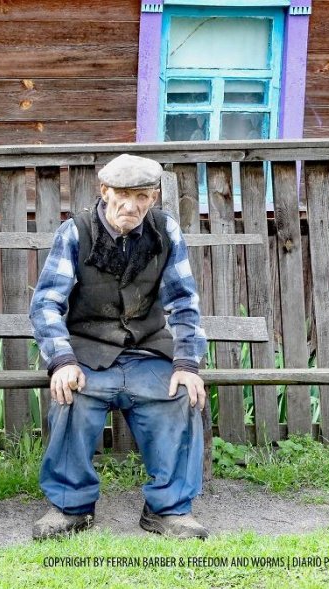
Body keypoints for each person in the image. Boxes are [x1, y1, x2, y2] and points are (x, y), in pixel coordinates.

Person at [30, 153, 210, 540]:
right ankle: (71, 507)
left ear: (154, 195)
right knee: (71, 397)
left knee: (181, 396)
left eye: (143, 196)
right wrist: (61, 360)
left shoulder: (166, 231)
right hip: (89, 353)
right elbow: (46, 303)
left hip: (147, 351)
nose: (132, 206)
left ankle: (169, 509)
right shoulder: (75, 232)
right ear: (104, 190)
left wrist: (187, 364)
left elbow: (183, 301)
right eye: (123, 195)